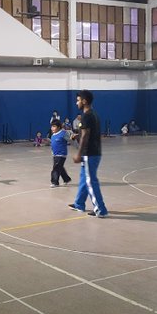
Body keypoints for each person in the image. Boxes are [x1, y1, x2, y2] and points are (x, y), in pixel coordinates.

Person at [69, 90, 108, 218]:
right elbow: (86, 134)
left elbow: (86, 136)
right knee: (83, 178)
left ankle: (100, 209)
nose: (76, 103)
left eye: (78, 100)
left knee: (91, 181)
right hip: (94, 152)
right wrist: (77, 136)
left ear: (84, 101)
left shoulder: (87, 115)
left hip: (90, 153)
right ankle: (79, 203)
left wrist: (79, 153)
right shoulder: (93, 114)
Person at [49, 119, 73, 187]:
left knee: (56, 168)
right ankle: (66, 179)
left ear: (59, 127)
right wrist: (52, 152)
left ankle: (55, 182)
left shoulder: (63, 133)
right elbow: (53, 144)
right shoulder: (53, 135)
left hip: (61, 154)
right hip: (55, 154)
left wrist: (78, 145)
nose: (52, 128)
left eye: (54, 126)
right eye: (52, 126)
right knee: (60, 167)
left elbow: (70, 140)